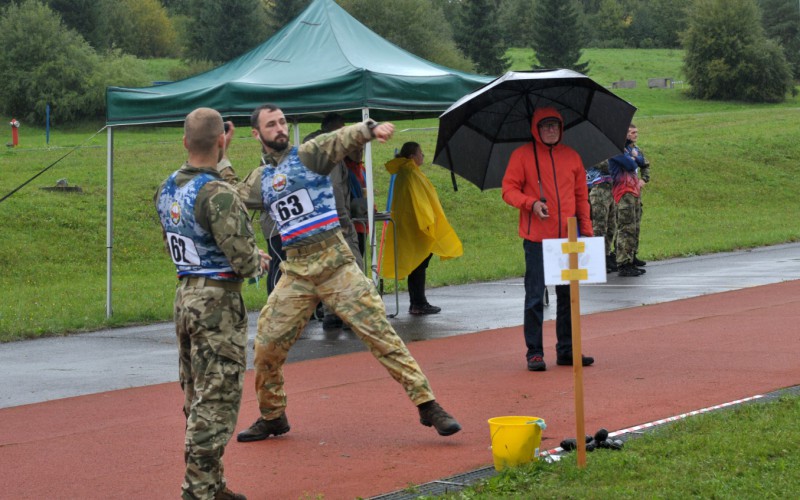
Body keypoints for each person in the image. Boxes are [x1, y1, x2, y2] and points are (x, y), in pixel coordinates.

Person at [235, 104, 462, 442]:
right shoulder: (260, 179)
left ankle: (428, 405)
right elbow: (229, 200)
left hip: (335, 263)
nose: (280, 128)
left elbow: (338, 139)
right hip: (297, 270)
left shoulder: (309, 155)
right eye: (272, 124)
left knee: (379, 331)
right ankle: (272, 416)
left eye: (283, 121)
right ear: (257, 134)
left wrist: (369, 129)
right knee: (266, 343)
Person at [154, 108, 268, 500]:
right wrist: (257, 258)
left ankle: (212, 484)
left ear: (185, 141)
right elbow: (244, 260)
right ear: (222, 142)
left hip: (185, 293)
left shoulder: (166, 187)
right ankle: (198, 491)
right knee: (216, 399)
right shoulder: (218, 194)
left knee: (195, 394)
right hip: (217, 302)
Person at [501, 106, 595, 372]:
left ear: (561, 128)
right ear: (536, 128)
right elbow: (508, 190)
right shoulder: (521, 156)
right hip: (537, 241)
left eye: (555, 125)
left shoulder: (572, 157)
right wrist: (531, 204)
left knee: (568, 297)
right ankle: (534, 352)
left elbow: (581, 198)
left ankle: (566, 350)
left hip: (568, 240)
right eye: (545, 126)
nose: (551, 130)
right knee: (534, 297)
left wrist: (586, 232)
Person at [381, 142, 463, 315]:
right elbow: (419, 202)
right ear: (412, 156)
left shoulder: (407, 172)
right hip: (416, 226)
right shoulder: (409, 173)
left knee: (418, 263)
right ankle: (418, 303)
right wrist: (428, 222)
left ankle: (418, 301)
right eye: (420, 152)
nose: (423, 155)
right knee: (418, 264)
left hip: (412, 224)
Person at [302, 113, 364, 330]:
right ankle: (353, 314)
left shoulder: (307, 150)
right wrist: (343, 218)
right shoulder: (328, 153)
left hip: (315, 220)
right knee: (353, 263)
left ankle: (331, 312)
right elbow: (336, 187)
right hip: (334, 217)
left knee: (328, 267)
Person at [610, 123, 648, 277]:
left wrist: (634, 157)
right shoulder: (615, 149)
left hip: (633, 191)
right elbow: (631, 164)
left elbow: (642, 161)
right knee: (625, 229)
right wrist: (634, 158)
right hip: (622, 192)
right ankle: (623, 263)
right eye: (632, 132)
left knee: (633, 227)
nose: (635, 135)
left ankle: (630, 259)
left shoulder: (629, 150)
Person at [586, 160, 617, 272]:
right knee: (599, 227)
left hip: (610, 188)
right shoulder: (593, 151)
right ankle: (597, 260)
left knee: (611, 226)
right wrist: (620, 163)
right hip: (598, 189)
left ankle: (606, 255)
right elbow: (607, 166)